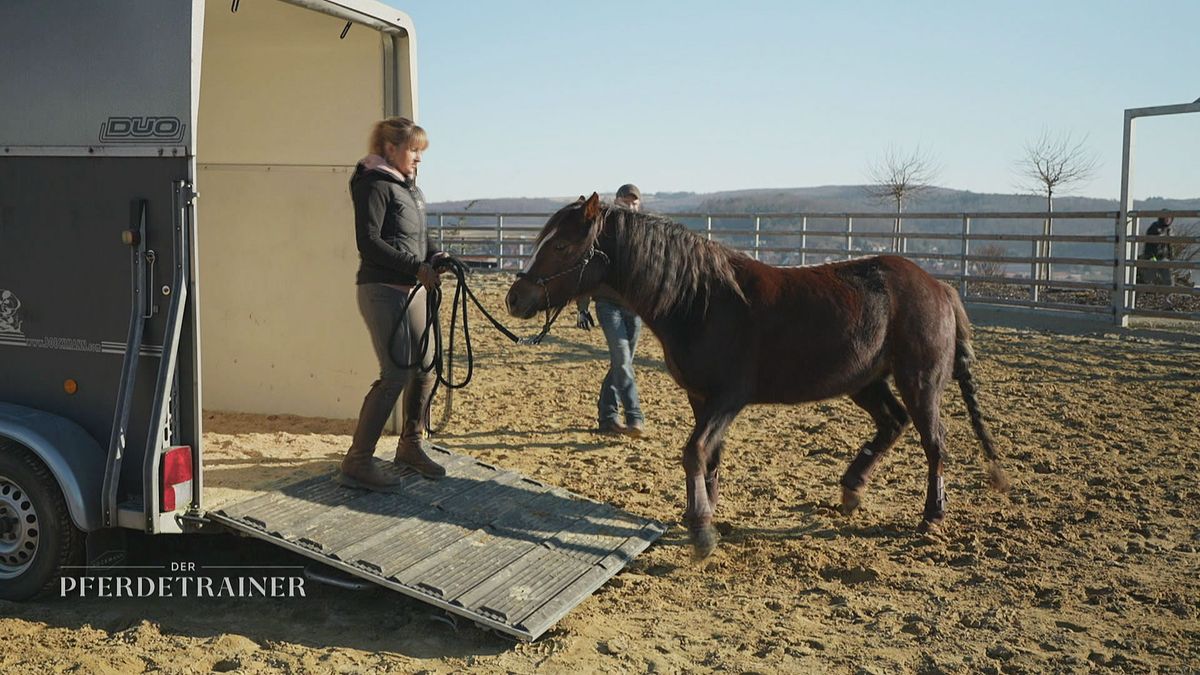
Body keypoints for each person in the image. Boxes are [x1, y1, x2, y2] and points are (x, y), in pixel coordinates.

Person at [341, 117, 449, 491]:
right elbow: (368, 242)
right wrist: (414, 266)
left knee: (426, 366)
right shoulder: (373, 185)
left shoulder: (410, 189)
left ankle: (410, 445)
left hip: (413, 290)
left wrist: (436, 257)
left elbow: (421, 237)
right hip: (381, 289)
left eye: (421, 151)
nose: (419, 158)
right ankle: (357, 461)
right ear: (390, 149)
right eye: (413, 150)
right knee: (396, 373)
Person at [576, 183, 646, 438]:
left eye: (634, 201)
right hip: (608, 304)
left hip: (635, 308)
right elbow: (585, 268)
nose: (630, 204)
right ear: (617, 201)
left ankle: (607, 416)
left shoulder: (644, 236)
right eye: (625, 200)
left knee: (622, 363)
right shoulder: (604, 233)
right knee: (622, 361)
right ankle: (634, 415)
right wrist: (582, 308)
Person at [1139, 215, 1175, 287]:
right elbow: (1149, 245)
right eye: (1166, 217)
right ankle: (1139, 291)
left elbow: (1170, 246)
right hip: (1153, 257)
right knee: (1148, 279)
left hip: (1164, 258)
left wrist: (1171, 257)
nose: (1168, 219)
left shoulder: (1169, 229)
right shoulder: (1154, 227)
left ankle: (1167, 296)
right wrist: (1151, 256)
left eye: (1169, 218)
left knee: (1168, 279)